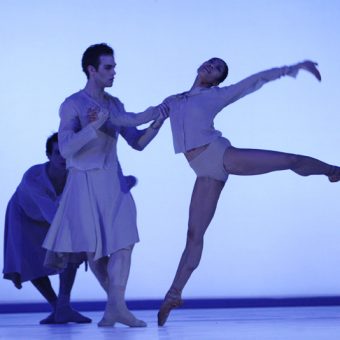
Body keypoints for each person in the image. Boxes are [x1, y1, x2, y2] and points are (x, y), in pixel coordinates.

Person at [157, 58, 340, 326]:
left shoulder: (217, 95)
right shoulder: (174, 99)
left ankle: (333, 171)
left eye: (217, 68)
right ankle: (174, 294)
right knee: (194, 236)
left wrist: (290, 68)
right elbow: (145, 118)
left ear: (218, 80)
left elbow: (254, 81)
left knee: (289, 160)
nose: (211, 66)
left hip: (221, 156)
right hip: (204, 172)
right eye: (211, 62)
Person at [43, 43, 168, 328]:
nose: (114, 72)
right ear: (92, 70)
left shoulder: (114, 104)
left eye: (114, 67)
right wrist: (93, 127)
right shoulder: (72, 104)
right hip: (83, 182)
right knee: (95, 251)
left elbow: (136, 143)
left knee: (124, 243)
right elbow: (65, 149)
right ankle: (117, 309)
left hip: (113, 180)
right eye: (108, 67)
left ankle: (116, 308)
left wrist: (156, 124)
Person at [3, 133, 91, 324]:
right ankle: (57, 306)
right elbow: (55, 216)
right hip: (23, 215)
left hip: (53, 216)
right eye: (58, 153)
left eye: (68, 152)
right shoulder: (32, 178)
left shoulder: (77, 176)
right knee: (32, 261)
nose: (63, 157)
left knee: (70, 250)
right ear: (49, 155)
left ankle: (63, 306)